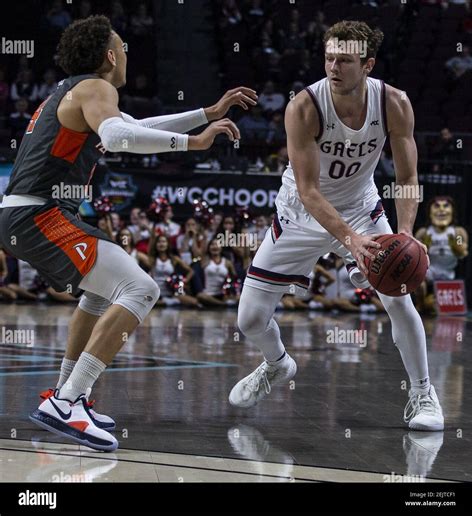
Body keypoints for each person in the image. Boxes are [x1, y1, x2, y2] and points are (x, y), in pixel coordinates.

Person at [0, 15, 256, 451]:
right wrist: (195, 143)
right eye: (122, 45)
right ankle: (67, 401)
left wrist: (204, 115)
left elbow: (136, 127)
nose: (126, 53)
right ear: (110, 55)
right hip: (39, 213)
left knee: (101, 294)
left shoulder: (77, 91)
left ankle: (67, 395)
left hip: (24, 214)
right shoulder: (97, 88)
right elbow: (120, 137)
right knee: (141, 289)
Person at [229, 20, 444, 432]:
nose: (333, 67)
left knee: (399, 297)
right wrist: (351, 240)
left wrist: (406, 235)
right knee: (250, 320)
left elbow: (407, 179)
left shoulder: (394, 103)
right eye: (328, 58)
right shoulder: (304, 107)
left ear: (368, 65)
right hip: (301, 214)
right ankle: (276, 365)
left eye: (344, 60)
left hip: (361, 207)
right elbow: (309, 191)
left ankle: (422, 393)